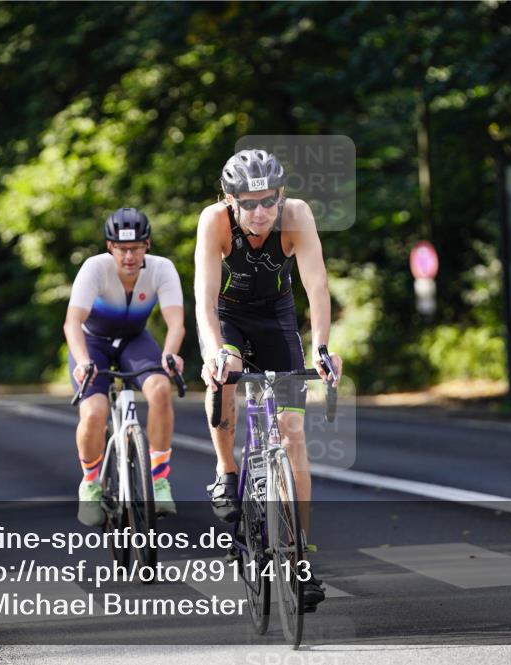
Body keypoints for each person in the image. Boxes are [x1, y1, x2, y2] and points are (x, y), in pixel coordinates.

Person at [194, 149, 342, 612]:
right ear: (230, 200)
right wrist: (214, 353)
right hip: (230, 320)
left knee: (294, 433)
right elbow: (202, 300)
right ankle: (225, 469)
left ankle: (299, 558)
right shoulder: (214, 222)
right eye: (249, 203)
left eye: (269, 201)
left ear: (282, 195)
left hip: (277, 321)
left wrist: (321, 347)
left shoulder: (296, 215)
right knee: (225, 377)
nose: (261, 213)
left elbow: (316, 284)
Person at [64, 208, 185, 527]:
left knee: (160, 389)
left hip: (135, 340)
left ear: (148, 245)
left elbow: (176, 324)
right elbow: (72, 322)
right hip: (93, 342)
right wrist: (83, 360)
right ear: (110, 247)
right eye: (122, 249)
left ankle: (158, 480)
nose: (129, 256)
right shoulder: (94, 269)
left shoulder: (162, 269)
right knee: (94, 411)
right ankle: (90, 483)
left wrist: (170, 355)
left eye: (135, 248)